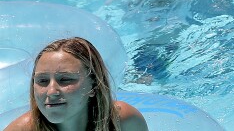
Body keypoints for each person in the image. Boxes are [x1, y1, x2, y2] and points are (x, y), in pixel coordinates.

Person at [4, 37, 148, 131]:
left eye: (65, 79)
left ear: (94, 85)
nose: (51, 91)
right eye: (42, 81)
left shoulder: (124, 122)